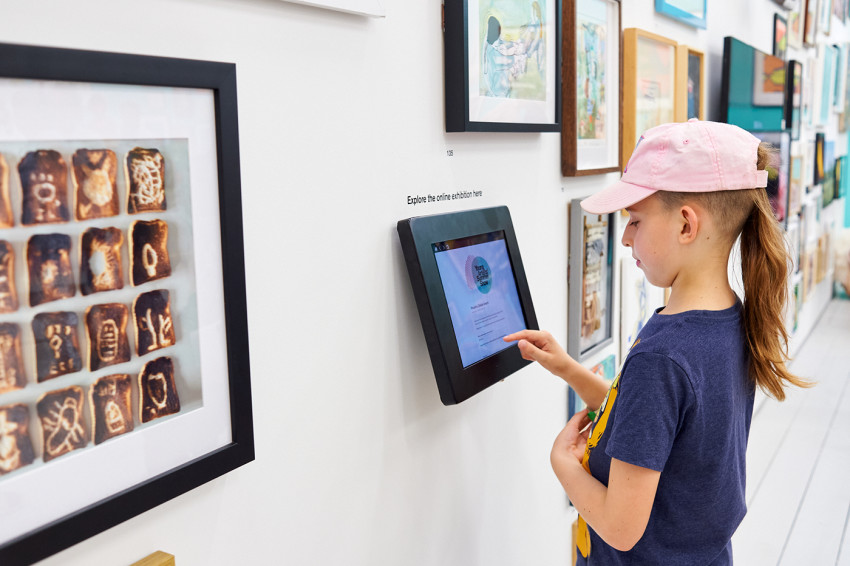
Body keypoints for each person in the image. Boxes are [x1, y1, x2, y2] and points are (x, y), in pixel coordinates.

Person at [505, 119, 811, 565]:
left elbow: (621, 528)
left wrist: (563, 464)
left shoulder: (663, 356)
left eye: (635, 220)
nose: (626, 236)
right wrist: (570, 370)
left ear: (687, 225)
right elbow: (656, 423)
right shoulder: (728, 319)